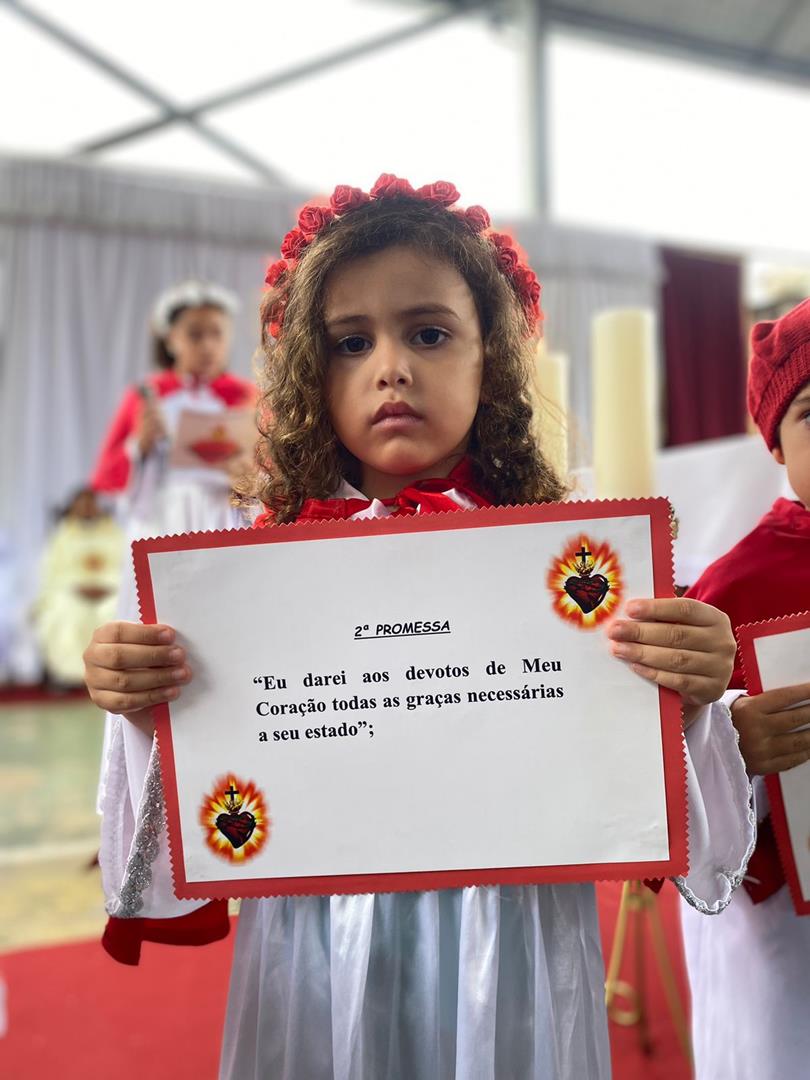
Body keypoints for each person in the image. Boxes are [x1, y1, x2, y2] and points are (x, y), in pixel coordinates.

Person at [84, 175, 753, 1080]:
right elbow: (202, 792)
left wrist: (689, 692)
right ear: (311, 371)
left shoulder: (576, 563)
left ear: (492, 359)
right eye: (351, 342)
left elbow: (641, 791)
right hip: (316, 934)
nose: (391, 367)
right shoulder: (249, 570)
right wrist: (143, 700)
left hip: (508, 933)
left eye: (429, 333)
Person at [682, 297, 810, 1080]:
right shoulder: (733, 590)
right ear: (777, 441)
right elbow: (666, 779)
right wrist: (734, 743)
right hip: (786, 941)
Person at [90, 279, 256, 536]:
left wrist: (251, 475)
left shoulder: (247, 396)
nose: (207, 346)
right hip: (163, 521)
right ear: (170, 339)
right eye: (195, 335)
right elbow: (107, 475)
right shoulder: (147, 395)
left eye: (217, 334)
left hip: (224, 518)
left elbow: (273, 471)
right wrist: (140, 446)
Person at [33, 487, 123, 686]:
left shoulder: (115, 533)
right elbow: (52, 574)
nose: (86, 508)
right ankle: (72, 676)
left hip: (109, 592)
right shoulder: (62, 536)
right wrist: (79, 587)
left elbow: (124, 567)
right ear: (73, 507)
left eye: (91, 503)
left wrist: (105, 586)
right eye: (81, 503)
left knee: (113, 611)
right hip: (72, 593)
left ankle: (109, 672)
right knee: (66, 612)